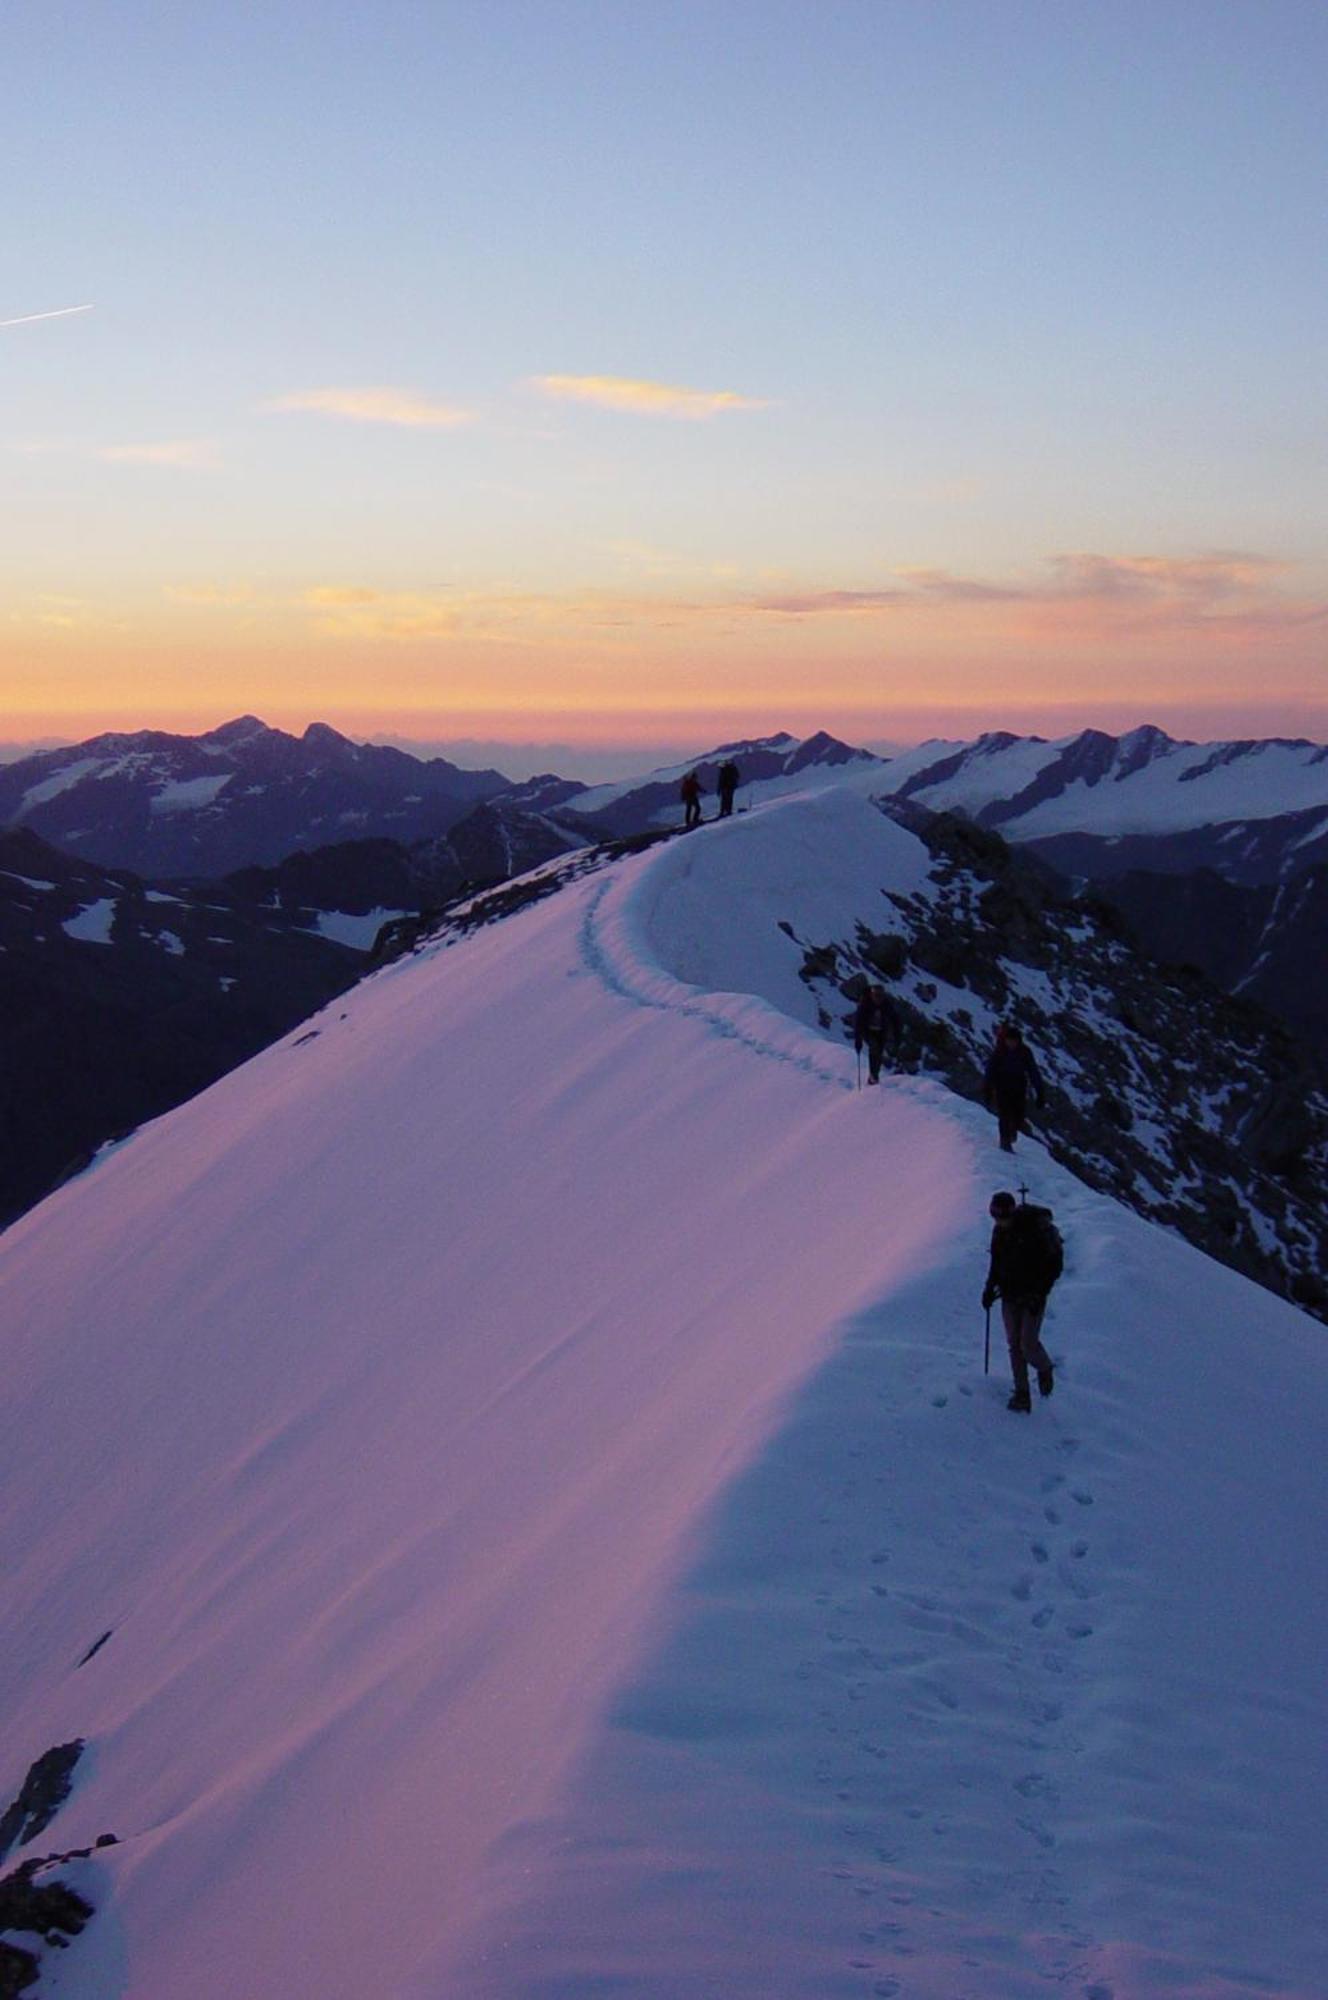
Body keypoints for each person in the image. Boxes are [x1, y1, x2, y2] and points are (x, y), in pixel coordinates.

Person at [982, 1190, 1062, 1412]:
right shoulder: (999, 1232)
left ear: (1012, 1212)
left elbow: (1052, 1266)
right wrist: (989, 1288)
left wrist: (1040, 1293)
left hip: (1032, 1295)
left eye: (1003, 1216)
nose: (1000, 1221)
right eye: (996, 1217)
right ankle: (1022, 1394)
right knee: (1014, 1345)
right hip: (1009, 1294)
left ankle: (1044, 1368)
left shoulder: (1033, 1231)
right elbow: (996, 1262)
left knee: (1027, 1344)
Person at [983, 1022, 1045, 1152]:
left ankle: (1013, 1131)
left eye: (1014, 1041)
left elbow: (1033, 1071)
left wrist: (1040, 1091)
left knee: (1018, 1115)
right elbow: (990, 1070)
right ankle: (1005, 1141)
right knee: (1004, 1114)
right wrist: (987, 1089)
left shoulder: (1025, 1052)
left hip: (1019, 1087)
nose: (1011, 1043)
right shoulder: (999, 1052)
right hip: (1002, 1086)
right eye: (1009, 1040)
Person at [852, 983, 900, 1084]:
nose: (878, 998)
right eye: (876, 995)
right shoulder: (865, 1004)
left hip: (881, 1031)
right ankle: (873, 1076)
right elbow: (858, 1023)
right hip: (868, 1031)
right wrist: (858, 1040)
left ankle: (874, 1075)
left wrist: (897, 1035)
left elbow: (895, 1020)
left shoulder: (886, 1005)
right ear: (871, 995)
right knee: (874, 1048)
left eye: (880, 996)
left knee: (879, 1053)